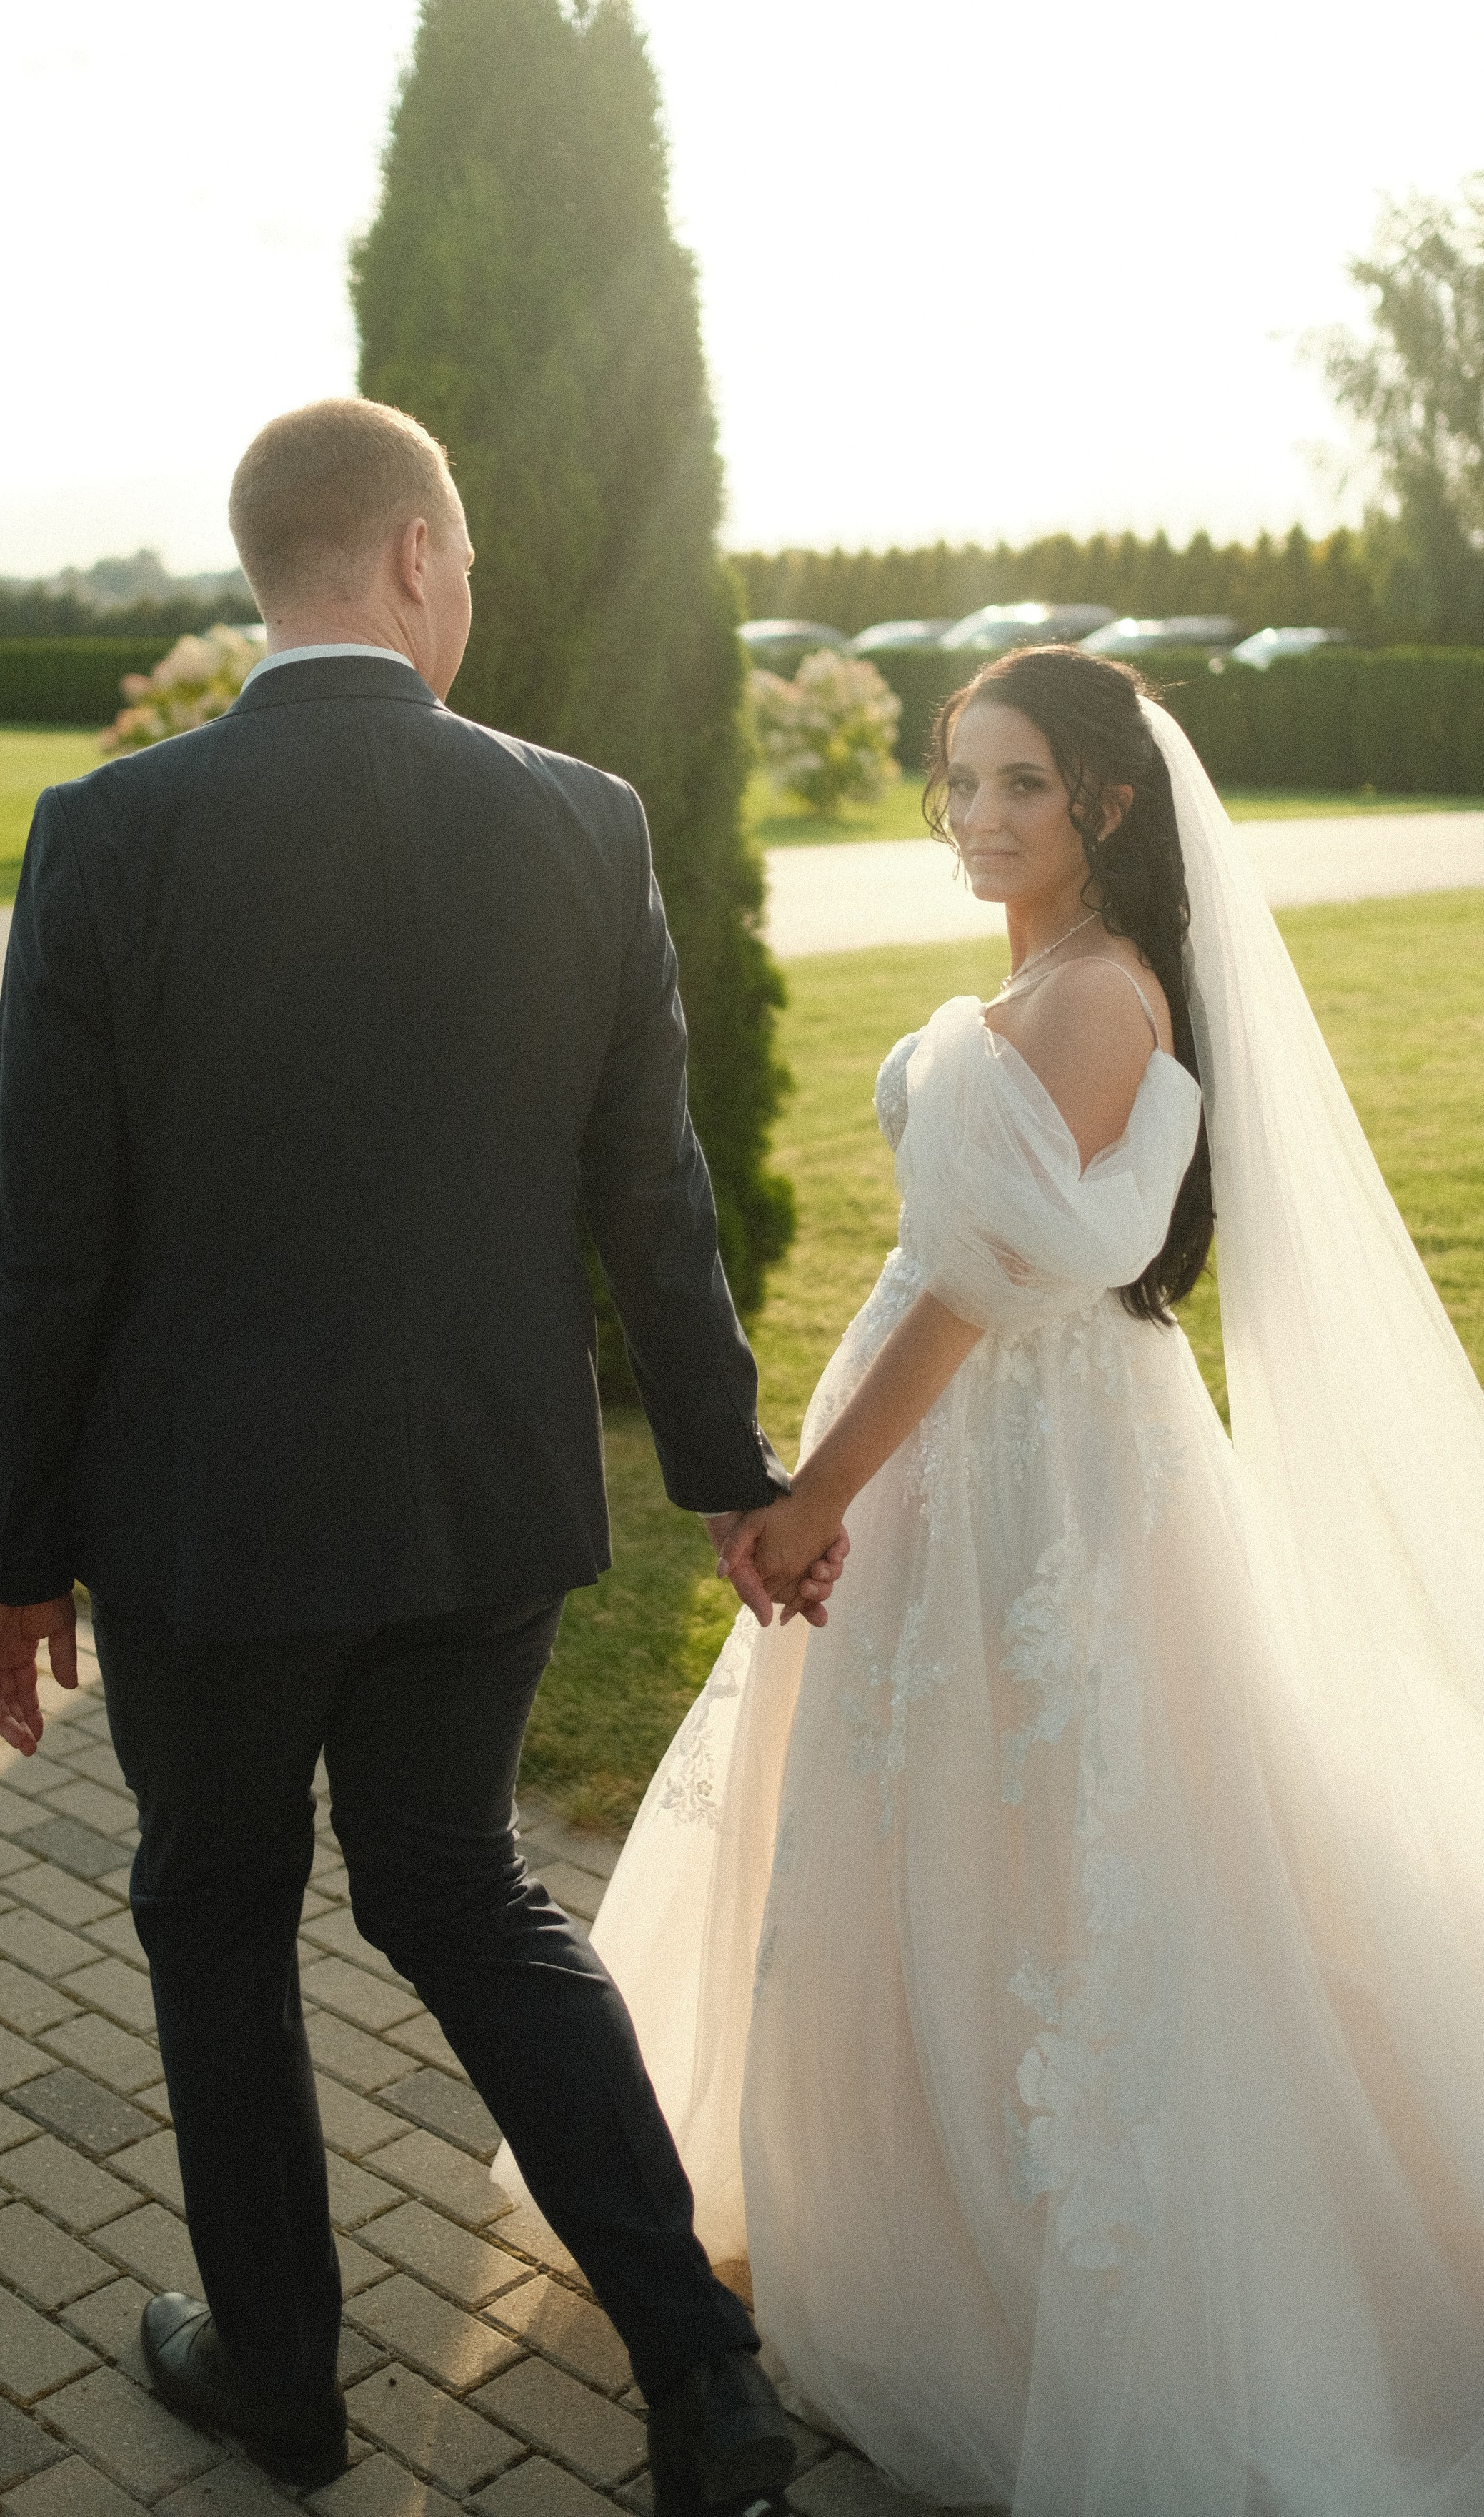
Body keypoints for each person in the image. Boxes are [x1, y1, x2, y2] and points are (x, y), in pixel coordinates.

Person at [0, 397, 844, 2503]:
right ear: (420, 557)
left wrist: (10, 1554)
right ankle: (705, 2379)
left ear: (271, 568)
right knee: (459, 1891)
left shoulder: (111, 831)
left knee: (217, 1910)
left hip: (207, 1523)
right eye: (468, 571)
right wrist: (729, 1468)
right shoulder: (587, 822)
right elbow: (655, 1193)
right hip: (477, 1499)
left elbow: (42, 1236)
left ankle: (279, 2375)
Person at [579, 648, 1484, 2514]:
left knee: (1057, 1840)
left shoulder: (1093, 996)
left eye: (1022, 785)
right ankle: (895, 2196)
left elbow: (978, 1290)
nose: (978, 816)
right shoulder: (1054, 974)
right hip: (989, 1452)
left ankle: (1024, 2274)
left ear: (1109, 805)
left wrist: (815, 1496)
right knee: (957, 1829)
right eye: (961, 778)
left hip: (1034, 1481)